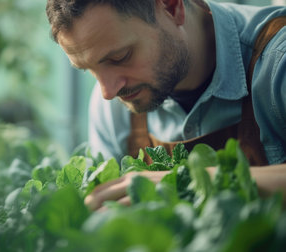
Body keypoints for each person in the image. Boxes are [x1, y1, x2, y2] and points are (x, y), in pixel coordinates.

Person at [46, 0, 286, 211]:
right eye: (89, 70)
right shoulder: (110, 104)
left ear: (172, 7)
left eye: (120, 57)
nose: (108, 92)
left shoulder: (278, 61)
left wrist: (187, 182)